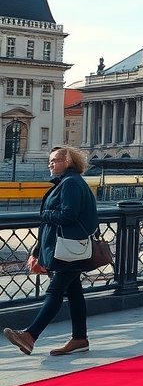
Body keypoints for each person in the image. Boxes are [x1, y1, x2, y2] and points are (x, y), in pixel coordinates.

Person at [3, 147, 98, 356]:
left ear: (68, 161)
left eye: (54, 160)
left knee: (55, 292)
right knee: (74, 294)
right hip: (68, 248)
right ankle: (80, 338)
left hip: (68, 249)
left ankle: (30, 336)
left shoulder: (71, 183)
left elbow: (68, 216)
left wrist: (43, 212)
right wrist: (37, 251)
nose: (50, 164)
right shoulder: (68, 182)